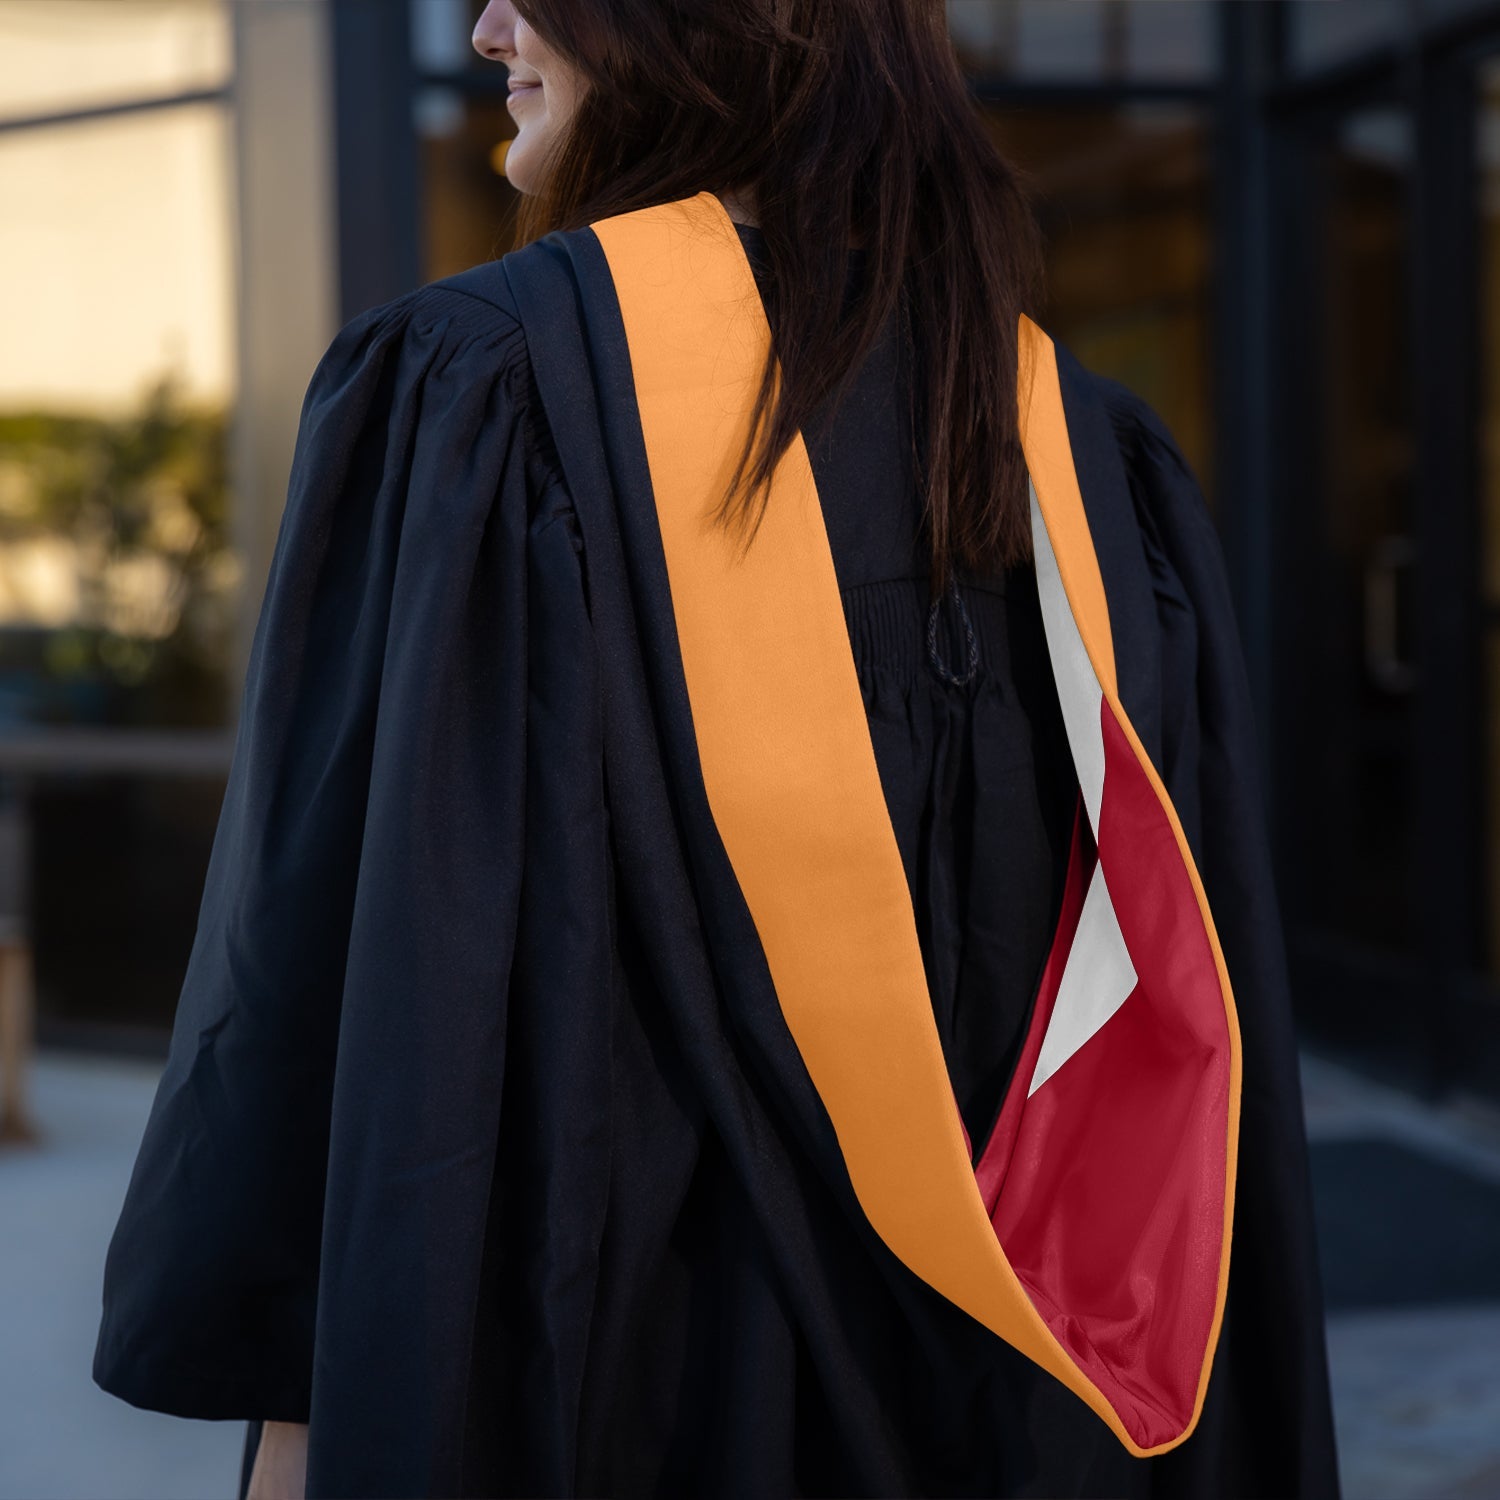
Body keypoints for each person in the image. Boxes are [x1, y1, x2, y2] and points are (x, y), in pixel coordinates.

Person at [92, 3, 1341, 1497]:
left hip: (620, 1397)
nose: (489, 24)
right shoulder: (1083, 458)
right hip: (1026, 1421)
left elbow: (328, 1015)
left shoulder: (483, 397)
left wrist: (295, 1440)